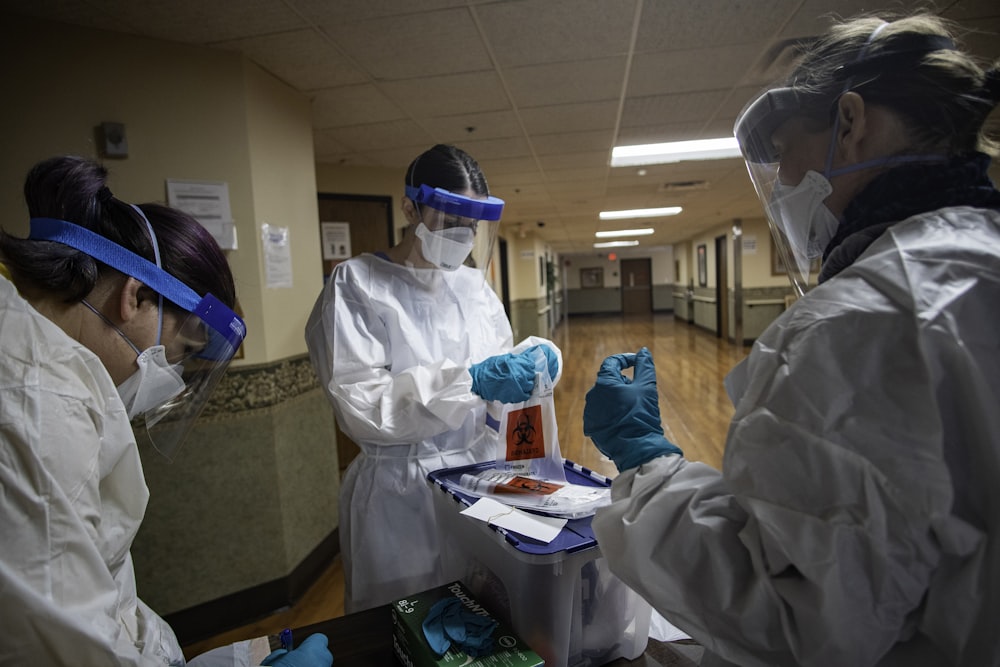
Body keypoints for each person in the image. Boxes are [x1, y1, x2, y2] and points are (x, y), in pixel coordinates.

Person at [582, 13, 1000, 667]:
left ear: (851, 120)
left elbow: (795, 614)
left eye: (785, 150)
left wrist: (646, 464)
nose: (781, 182)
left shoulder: (857, 324)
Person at [0, 156, 331, 667]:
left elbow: (99, 604)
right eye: (180, 351)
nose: (171, 372)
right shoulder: (43, 408)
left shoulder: (37, 356)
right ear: (134, 297)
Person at [305, 144, 562, 613]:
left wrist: (532, 367)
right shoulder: (357, 284)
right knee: (405, 623)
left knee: (486, 615)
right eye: (449, 221)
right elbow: (363, 407)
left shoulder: (474, 289)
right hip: (400, 491)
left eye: (471, 225)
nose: (462, 236)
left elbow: (499, 374)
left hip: (481, 480)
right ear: (410, 207)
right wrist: (472, 382)